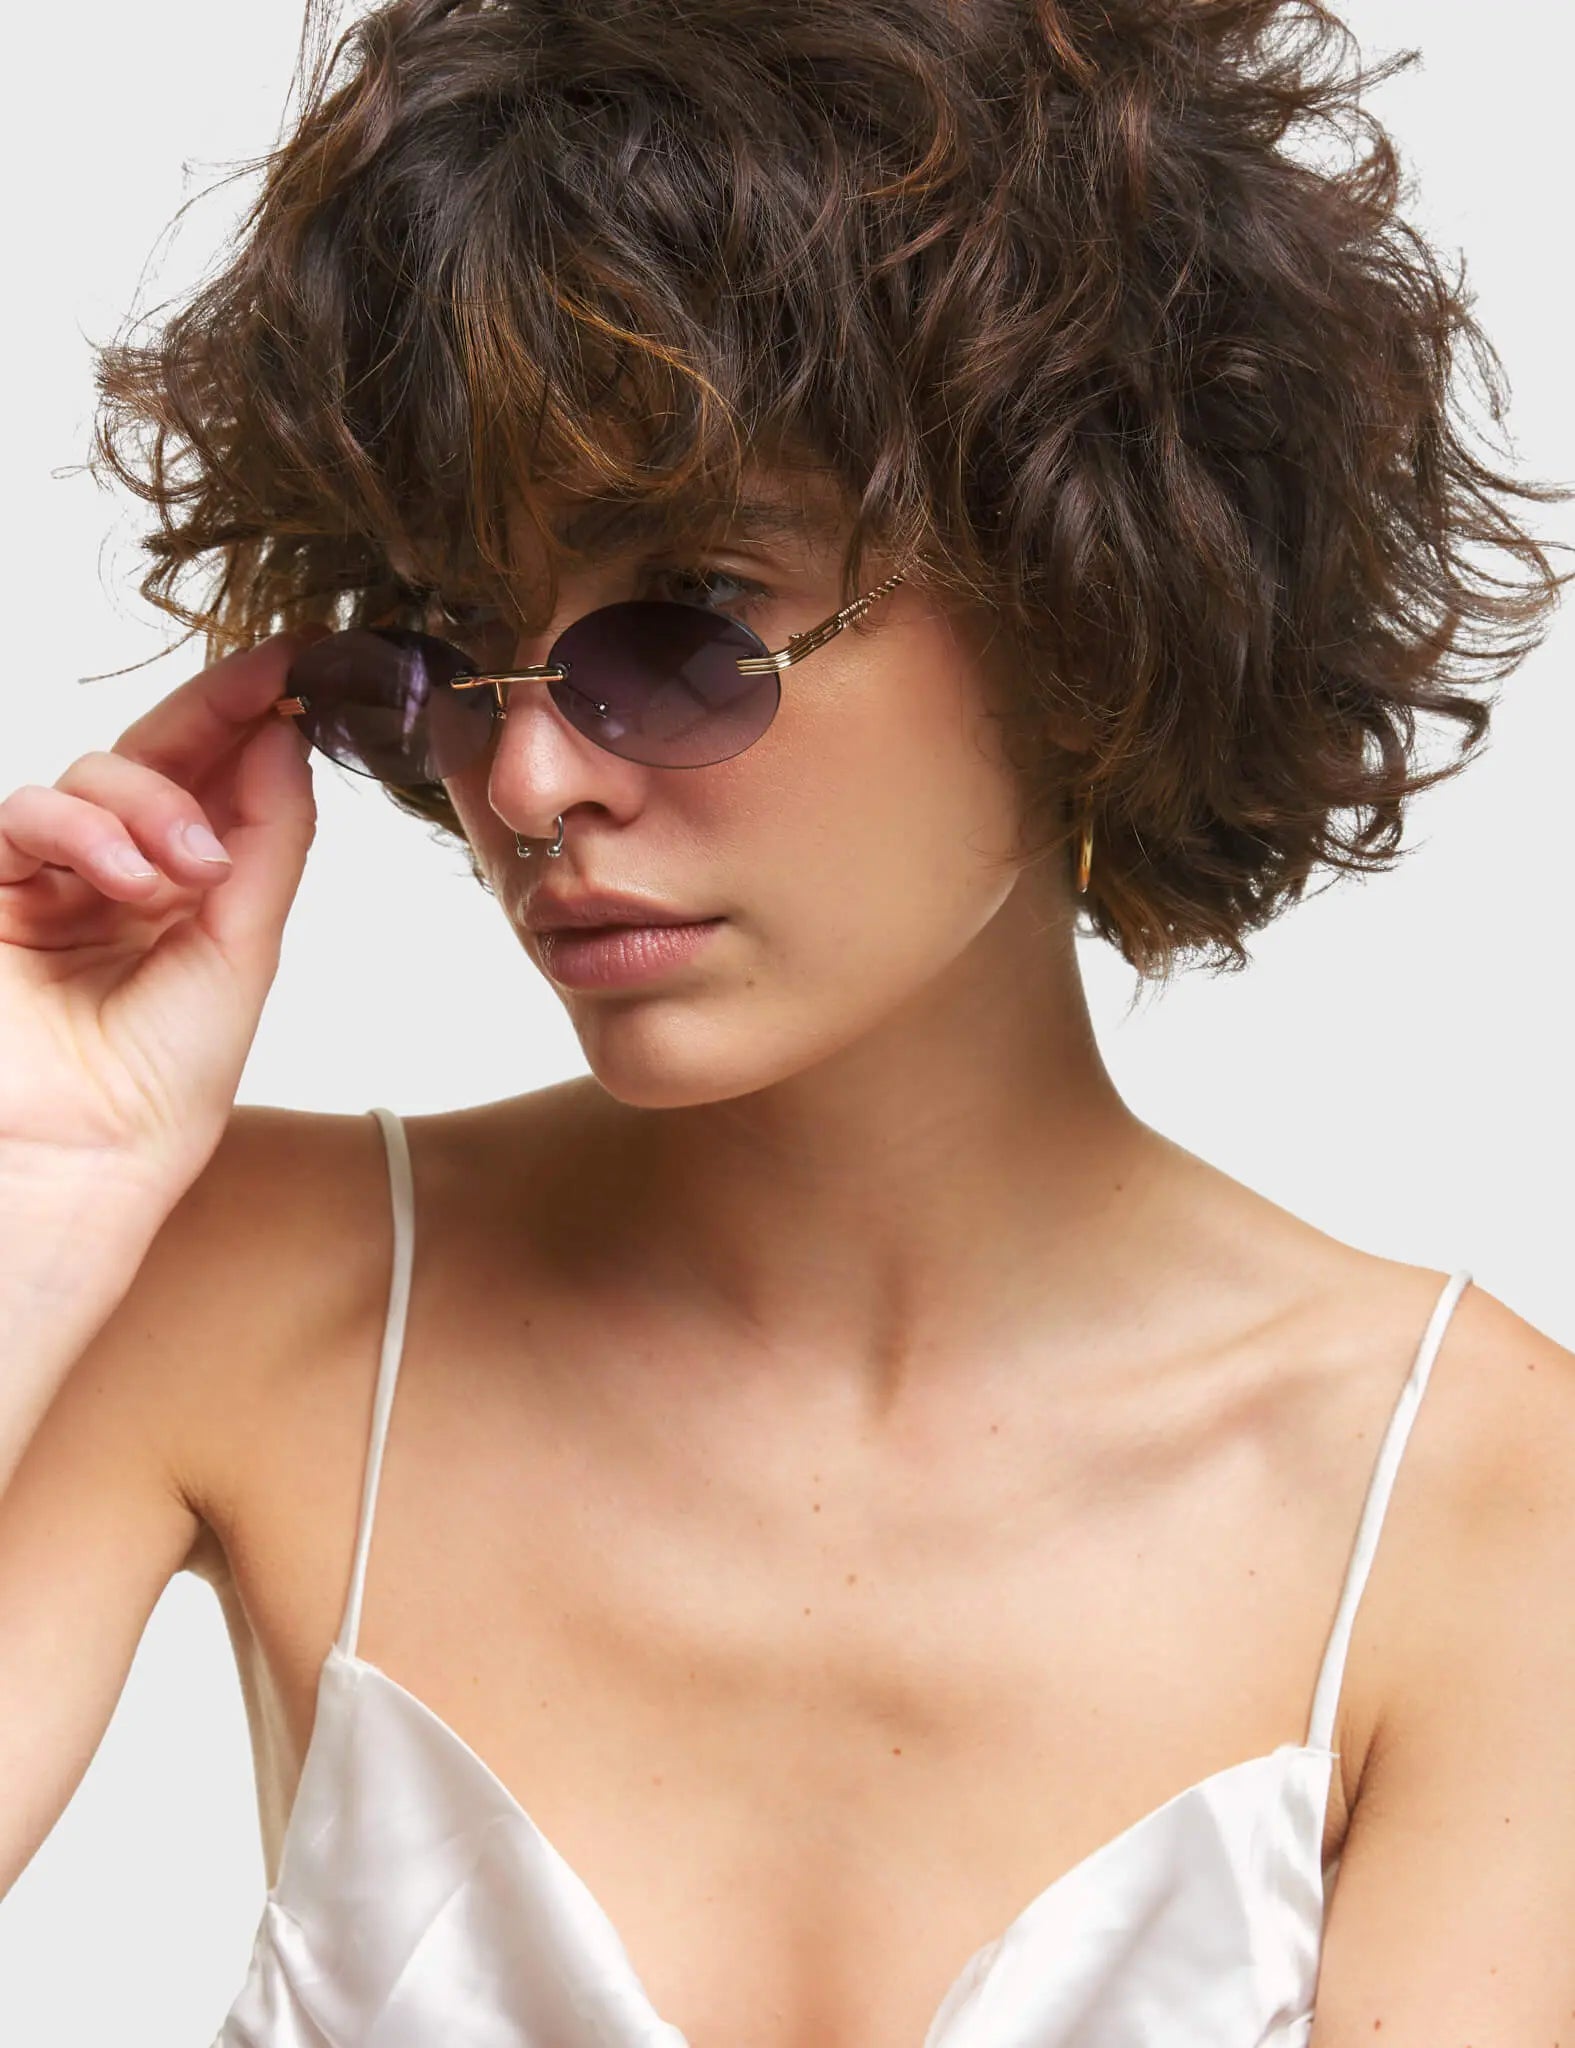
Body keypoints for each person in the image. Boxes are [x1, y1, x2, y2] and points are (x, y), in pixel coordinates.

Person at [1, 0, 1572, 2041]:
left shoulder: (1478, 1509)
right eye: (455, 651)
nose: (525, 781)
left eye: (686, 625)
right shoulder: (240, 1291)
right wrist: (39, 1198)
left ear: (1084, 591)